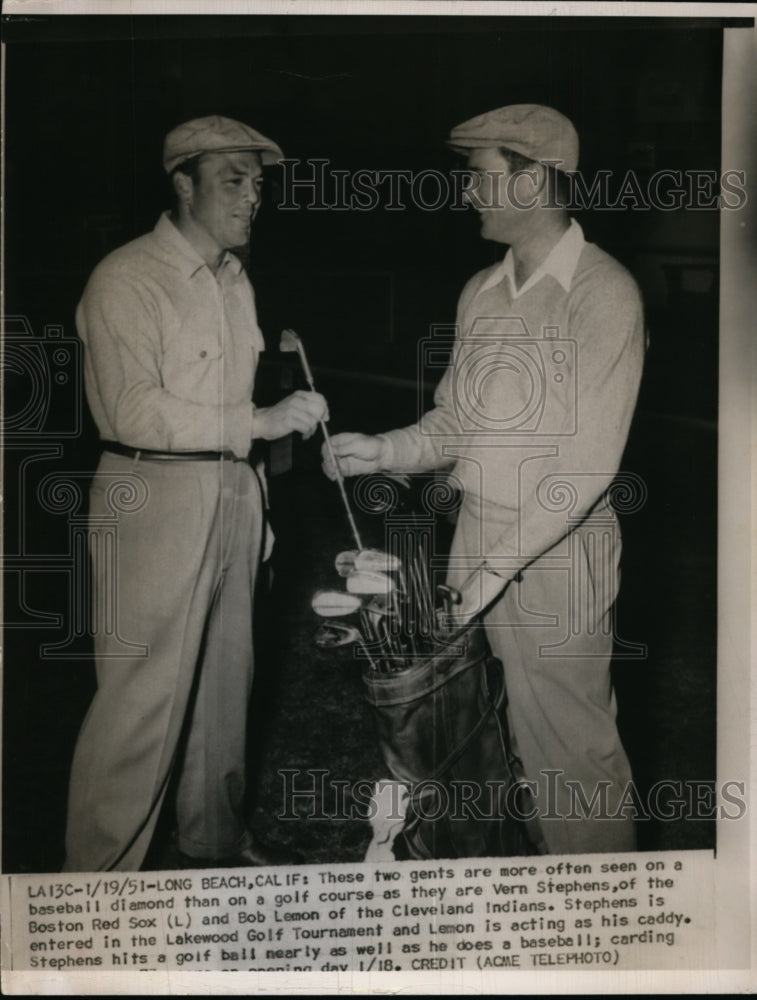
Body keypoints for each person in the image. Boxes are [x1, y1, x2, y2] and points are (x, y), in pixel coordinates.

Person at [324, 104, 645, 854]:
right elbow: (453, 422)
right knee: (471, 741)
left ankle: (603, 934)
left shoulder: (604, 294)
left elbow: (584, 469)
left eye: (480, 176)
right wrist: (385, 450)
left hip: (554, 554)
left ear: (531, 182)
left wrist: (486, 577)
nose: (465, 192)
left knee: (570, 757)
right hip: (474, 537)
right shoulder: (480, 291)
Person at [64, 116, 327, 871]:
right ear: (183, 183)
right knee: (141, 704)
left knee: (223, 685)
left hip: (231, 492)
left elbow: (229, 401)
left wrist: (258, 504)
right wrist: (258, 421)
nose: (253, 197)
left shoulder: (235, 280)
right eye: (233, 180)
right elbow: (130, 410)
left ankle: (213, 842)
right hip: (151, 492)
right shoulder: (128, 276)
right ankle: (94, 887)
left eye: (259, 183)